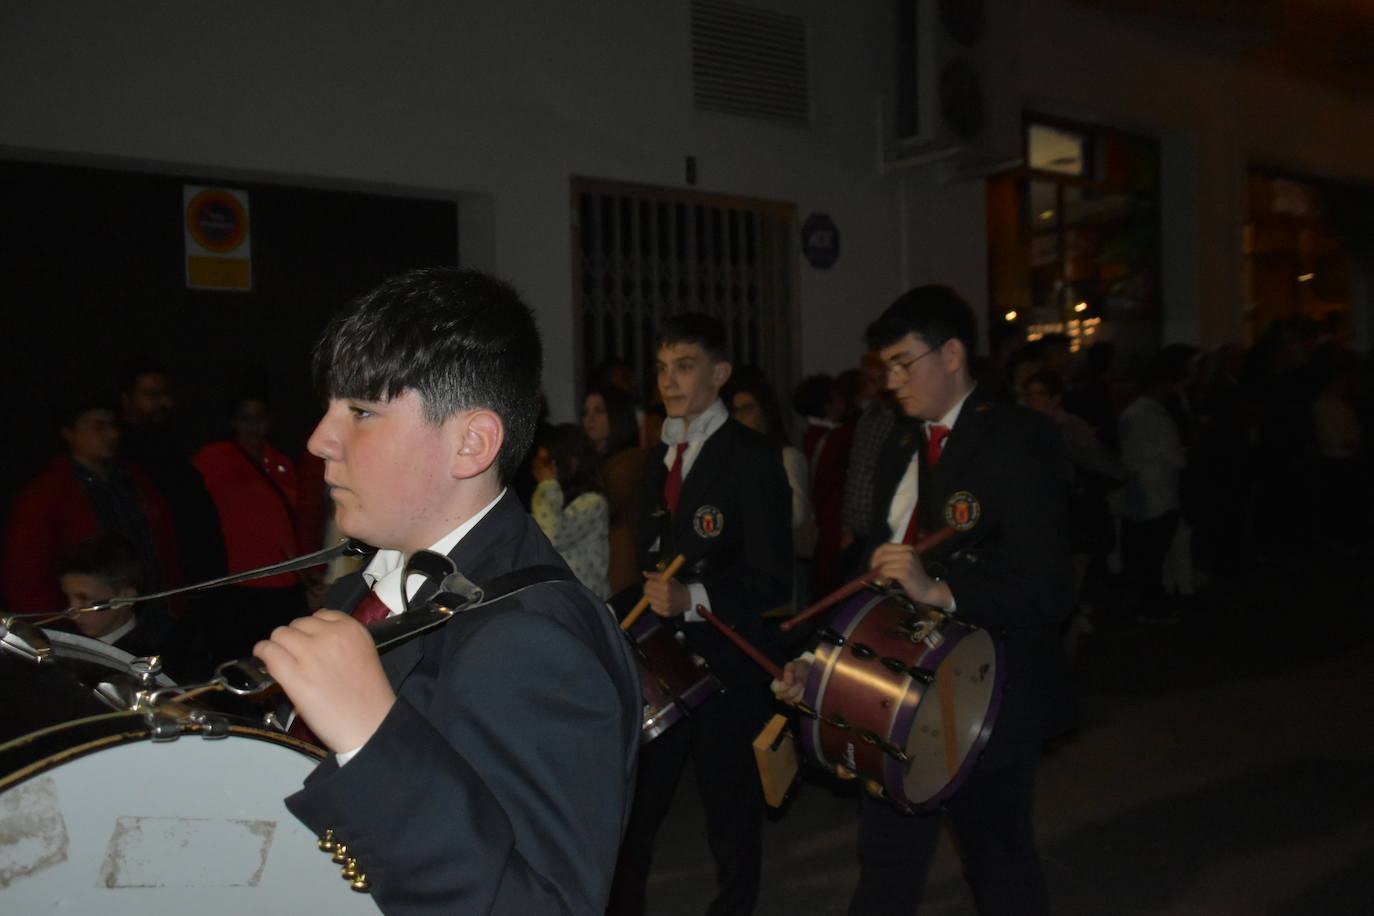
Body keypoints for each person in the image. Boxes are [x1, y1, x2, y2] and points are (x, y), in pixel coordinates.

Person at [252, 267, 641, 914]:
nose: (320, 440)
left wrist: (373, 740)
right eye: (329, 408)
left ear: (471, 442)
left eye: (362, 412)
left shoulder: (530, 639)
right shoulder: (359, 597)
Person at [776, 284, 1072, 915]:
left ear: (954, 354)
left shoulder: (1017, 439)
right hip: (897, 692)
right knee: (886, 863)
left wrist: (941, 590)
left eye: (903, 363)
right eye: (885, 368)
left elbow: (1047, 586)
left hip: (984, 690)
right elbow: (870, 570)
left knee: (998, 861)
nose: (891, 381)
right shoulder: (902, 443)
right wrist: (819, 659)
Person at [607, 313, 792, 916]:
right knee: (639, 801)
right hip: (662, 655)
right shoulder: (660, 454)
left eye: (684, 366)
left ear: (719, 373)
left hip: (726, 657)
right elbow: (648, 554)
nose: (669, 381)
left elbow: (770, 578)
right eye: (661, 369)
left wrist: (696, 598)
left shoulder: (753, 456)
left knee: (729, 805)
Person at [3, 395, 180, 617]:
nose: (112, 434)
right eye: (98, 426)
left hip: (150, 615)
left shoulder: (136, 482)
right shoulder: (45, 497)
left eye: (113, 425)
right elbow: (27, 575)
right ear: (68, 433)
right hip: (89, 625)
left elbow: (162, 549)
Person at [194, 392, 309, 659]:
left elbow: (294, 522)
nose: (253, 425)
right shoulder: (214, 458)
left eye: (260, 417)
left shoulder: (282, 463)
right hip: (239, 585)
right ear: (233, 422)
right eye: (245, 418)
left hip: (284, 584)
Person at [727, 371, 816, 610]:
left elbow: (794, 514)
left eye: (748, 409)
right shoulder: (731, 460)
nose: (740, 417)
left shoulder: (786, 457)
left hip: (775, 574)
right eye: (735, 411)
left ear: (766, 412)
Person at [531, 423, 612, 598]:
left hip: (587, 604)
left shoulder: (593, 502)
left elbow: (553, 536)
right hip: (559, 600)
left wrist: (547, 485)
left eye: (547, 463)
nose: (541, 470)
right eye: (539, 463)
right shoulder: (550, 500)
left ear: (572, 461)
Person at [582, 385, 646, 594]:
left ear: (617, 416)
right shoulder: (594, 463)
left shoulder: (626, 465)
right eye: (585, 412)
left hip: (621, 567)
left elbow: (604, 515)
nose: (590, 418)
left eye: (599, 411)